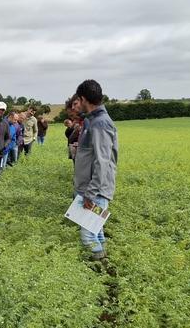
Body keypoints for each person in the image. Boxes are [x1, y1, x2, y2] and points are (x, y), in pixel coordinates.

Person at [73, 80, 118, 261]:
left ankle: (97, 271)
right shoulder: (93, 121)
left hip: (96, 191)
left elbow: (103, 161)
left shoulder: (100, 123)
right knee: (96, 231)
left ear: (84, 99)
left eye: (79, 100)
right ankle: (104, 267)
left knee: (88, 236)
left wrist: (90, 194)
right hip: (93, 188)